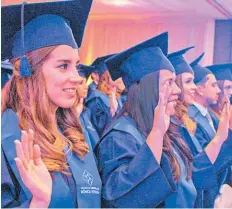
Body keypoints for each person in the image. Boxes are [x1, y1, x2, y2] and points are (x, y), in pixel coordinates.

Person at [1, 1, 101, 208]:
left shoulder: (76, 132)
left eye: (76, 66)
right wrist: (38, 201)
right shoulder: (6, 136)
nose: (77, 77)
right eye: (63, 66)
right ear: (31, 71)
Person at [97, 32, 204, 208]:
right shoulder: (120, 137)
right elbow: (120, 200)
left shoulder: (164, 128)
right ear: (147, 88)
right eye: (168, 83)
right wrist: (156, 135)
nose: (177, 90)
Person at [167, 48, 232, 208]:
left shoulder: (182, 121)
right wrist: (220, 137)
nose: (194, 87)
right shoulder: (172, 125)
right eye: (188, 81)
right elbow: (193, 169)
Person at [187, 53, 232, 207]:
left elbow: (230, 148)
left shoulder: (210, 115)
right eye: (214, 85)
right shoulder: (191, 118)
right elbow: (203, 161)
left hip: (218, 184)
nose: (219, 90)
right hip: (204, 191)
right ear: (200, 90)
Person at [80, 54, 124, 136]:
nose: (117, 79)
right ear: (95, 75)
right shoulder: (95, 99)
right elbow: (100, 129)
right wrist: (112, 113)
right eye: (111, 75)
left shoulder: (111, 95)